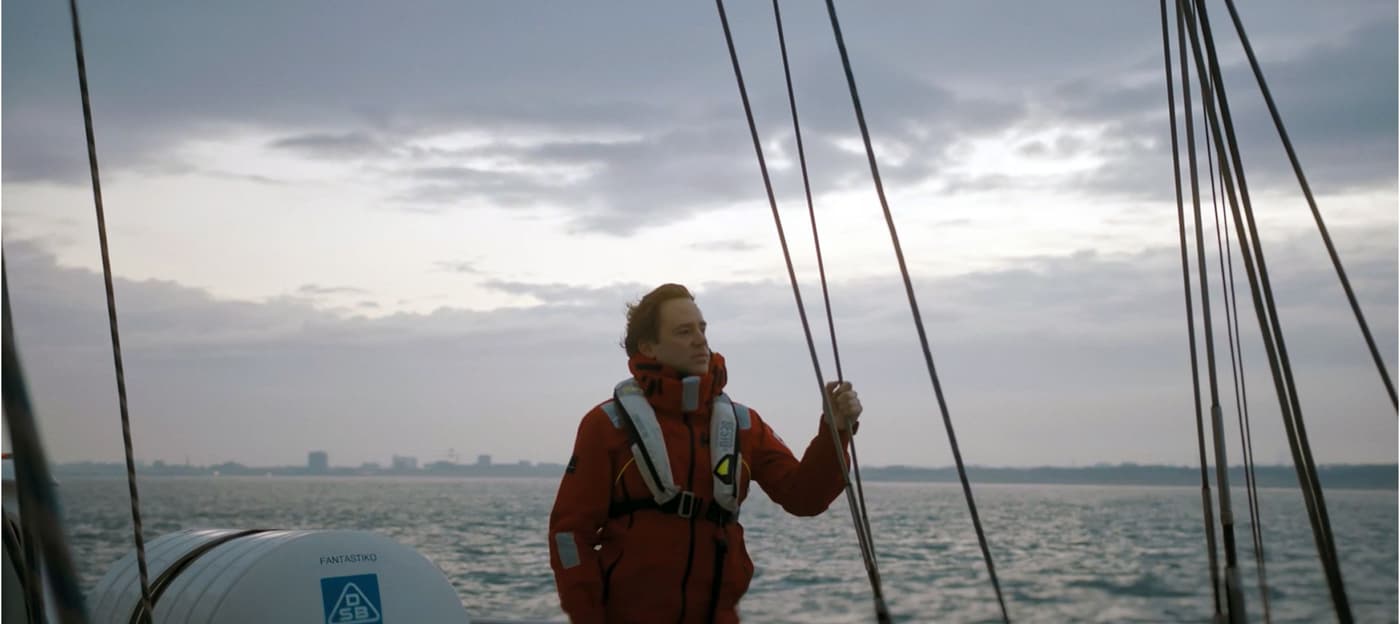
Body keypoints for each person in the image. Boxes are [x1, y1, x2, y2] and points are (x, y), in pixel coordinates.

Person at [548, 283, 862, 623]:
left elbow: (805, 498)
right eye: (684, 332)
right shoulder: (608, 426)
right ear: (648, 347)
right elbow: (568, 535)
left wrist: (836, 432)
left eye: (702, 329)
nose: (700, 340)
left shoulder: (743, 425)